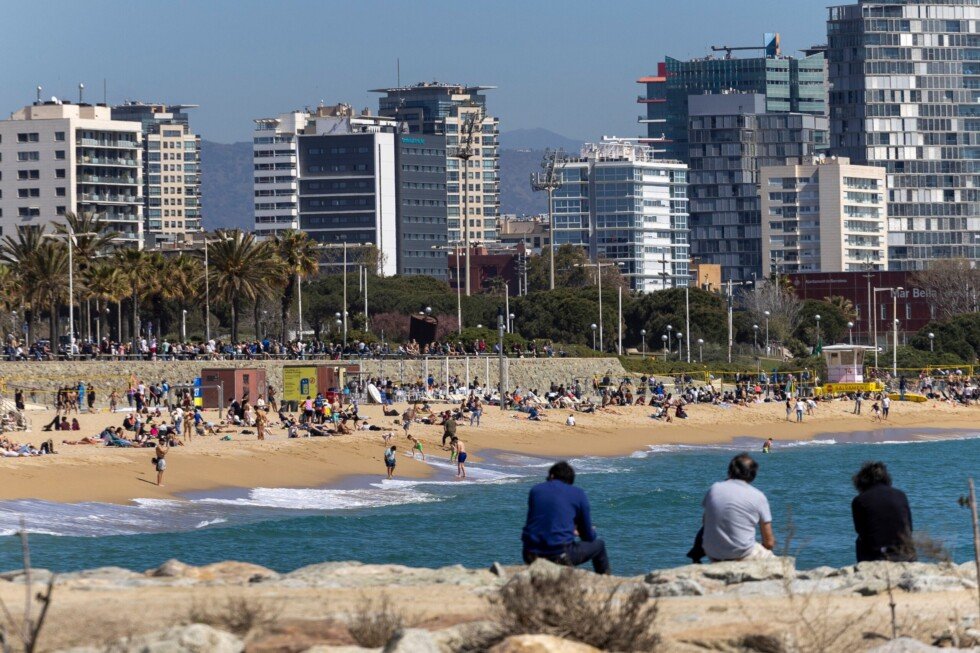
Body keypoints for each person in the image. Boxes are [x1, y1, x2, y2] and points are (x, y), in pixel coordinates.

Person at [521, 461, 610, 575]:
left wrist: (569, 528)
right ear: (570, 481)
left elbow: (543, 520)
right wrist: (586, 532)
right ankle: (606, 582)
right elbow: (587, 536)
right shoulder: (578, 493)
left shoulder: (535, 490)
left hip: (530, 554)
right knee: (599, 545)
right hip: (558, 555)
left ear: (552, 476)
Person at [701, 454, 776, 561]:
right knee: (778, 564)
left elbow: (705, 522)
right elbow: (769, 542)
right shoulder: (758, 496)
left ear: (730, 471)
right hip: (741, 554)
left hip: (713, 553)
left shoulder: (714, 488)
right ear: (753, 474)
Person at [851, 461, 915, 562]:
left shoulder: (860, 500)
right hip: (905, 554)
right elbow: (909, 528)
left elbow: (861, 531)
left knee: (859, 541)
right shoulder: (900, 495)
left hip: (877, 556)